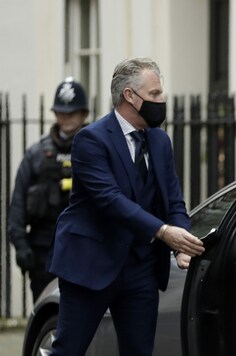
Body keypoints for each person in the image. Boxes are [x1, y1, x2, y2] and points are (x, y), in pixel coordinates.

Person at [46, 57, 205, 356]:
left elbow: (172, 199)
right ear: (130, 96)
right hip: (90, 264)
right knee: (69, 350)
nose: (162, 100)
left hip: (141, 268)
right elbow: (110, 200)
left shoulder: (160, 141)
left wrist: (181, 240)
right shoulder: (91, 139)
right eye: (155, 94)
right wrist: (163, 231)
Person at [8, 77, 90, 302]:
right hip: (44, 250)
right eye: (61, 112)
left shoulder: (97, 150)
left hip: (85, 247)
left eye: (71, 113)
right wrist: (22, 246)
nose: (65, 118)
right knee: (47, 311)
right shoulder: (36, 154)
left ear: (83, 114)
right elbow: (17, 206)